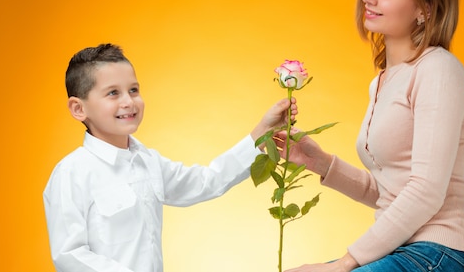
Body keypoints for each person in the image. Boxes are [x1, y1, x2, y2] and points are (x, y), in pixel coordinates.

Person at [277, 0, 464, 272]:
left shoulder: (439, 70)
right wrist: (323, 164)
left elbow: (427, 192)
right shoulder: (384, 81)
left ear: (425, 9)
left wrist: (344, 264)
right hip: (403, 248)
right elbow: (391, 193)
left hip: (438, 252)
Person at [43, 43, 296, 272]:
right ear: (79, 108)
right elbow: (70, 255)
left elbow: (206, 181)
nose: (129, 102)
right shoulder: (72, 173)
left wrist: (261, 133)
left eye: (133, 90)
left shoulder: (147, 161)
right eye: (113, 93)